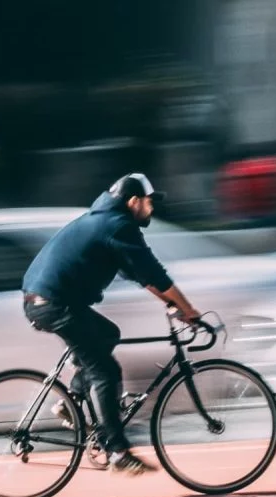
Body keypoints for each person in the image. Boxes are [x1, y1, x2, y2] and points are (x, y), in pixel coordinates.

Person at [21, 173, 202, 476]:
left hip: (49, 300)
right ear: (133, 202)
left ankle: (73, 401)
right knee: (106, 371)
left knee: (108, 333)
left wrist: (173, 304)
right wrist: (189, 310)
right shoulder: (118, 226)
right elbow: (155, 273)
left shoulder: (106, 221)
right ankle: (118, 451)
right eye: (149, 202)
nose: (151, 209)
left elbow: (142, 276)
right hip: (54, 304)